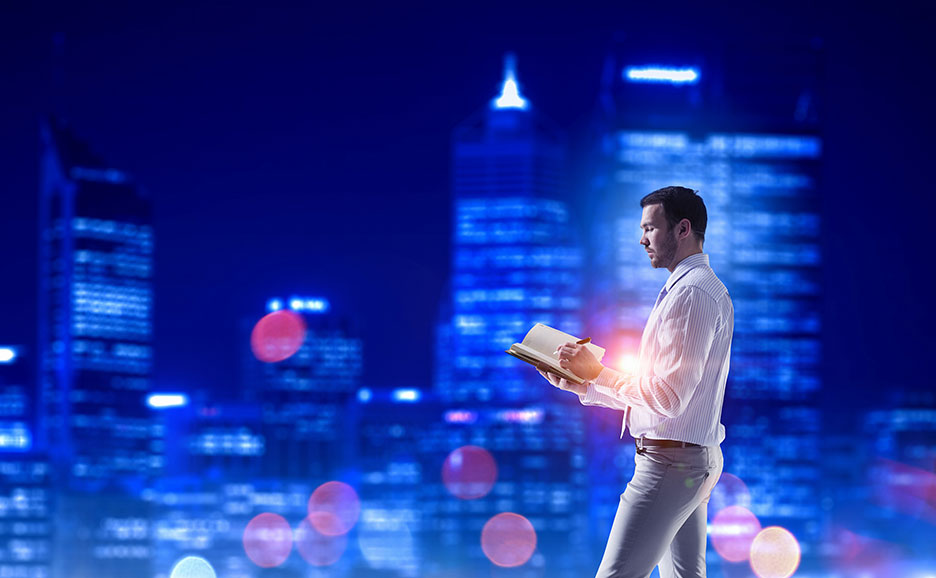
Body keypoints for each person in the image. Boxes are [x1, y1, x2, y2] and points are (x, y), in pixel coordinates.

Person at [537, 186, 734, 578]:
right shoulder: (693, 288)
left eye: (650, 228)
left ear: (682, 229)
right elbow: (663, 392)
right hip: (687, 458)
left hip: (670, 464)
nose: (641, 239)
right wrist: (587, 387)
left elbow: (668, 398)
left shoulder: (692, 294)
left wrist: (599, 373)